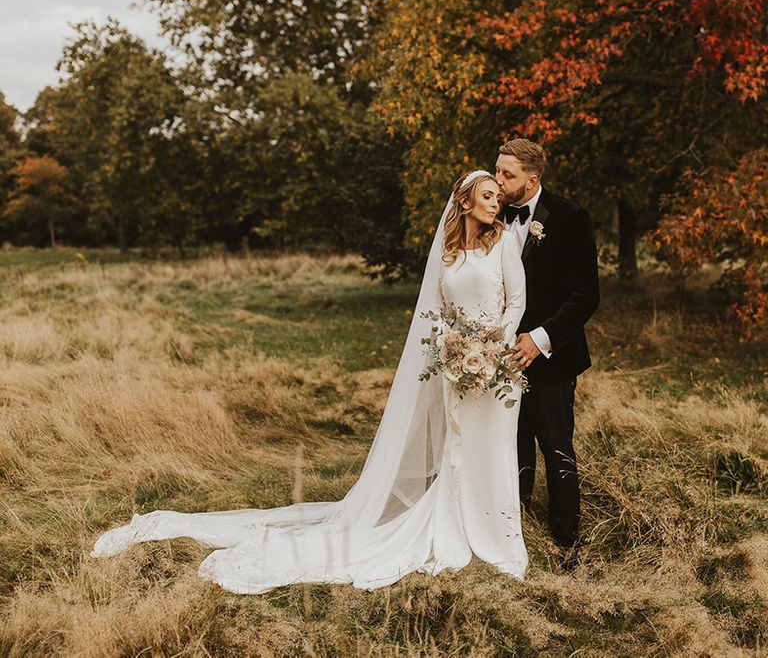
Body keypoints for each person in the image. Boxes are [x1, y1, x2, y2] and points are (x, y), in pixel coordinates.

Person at [90, 170, 530, 593]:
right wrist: (453, 349)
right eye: (488, 196)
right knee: (458, 451)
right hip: (459, 368)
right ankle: (459, 523)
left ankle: (497, 531)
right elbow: (436, 314)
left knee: (490, 449)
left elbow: (516, 302)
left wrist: (496, 348)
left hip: (496, 371)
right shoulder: (450, 254)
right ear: (465, 201)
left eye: (497, 195)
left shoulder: (504, 243)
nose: (496, 203)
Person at [496, 138, 599, 570]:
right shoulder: (489, 211)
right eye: (497, 171)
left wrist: (538, 339)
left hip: (552, 357)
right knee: (507, 442)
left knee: (556, 445)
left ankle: (566, 540)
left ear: (532, 179)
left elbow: (584, 295)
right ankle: (510, 528)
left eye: (508, 175)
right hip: (496, 357)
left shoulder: (571, 218)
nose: (498, 182)